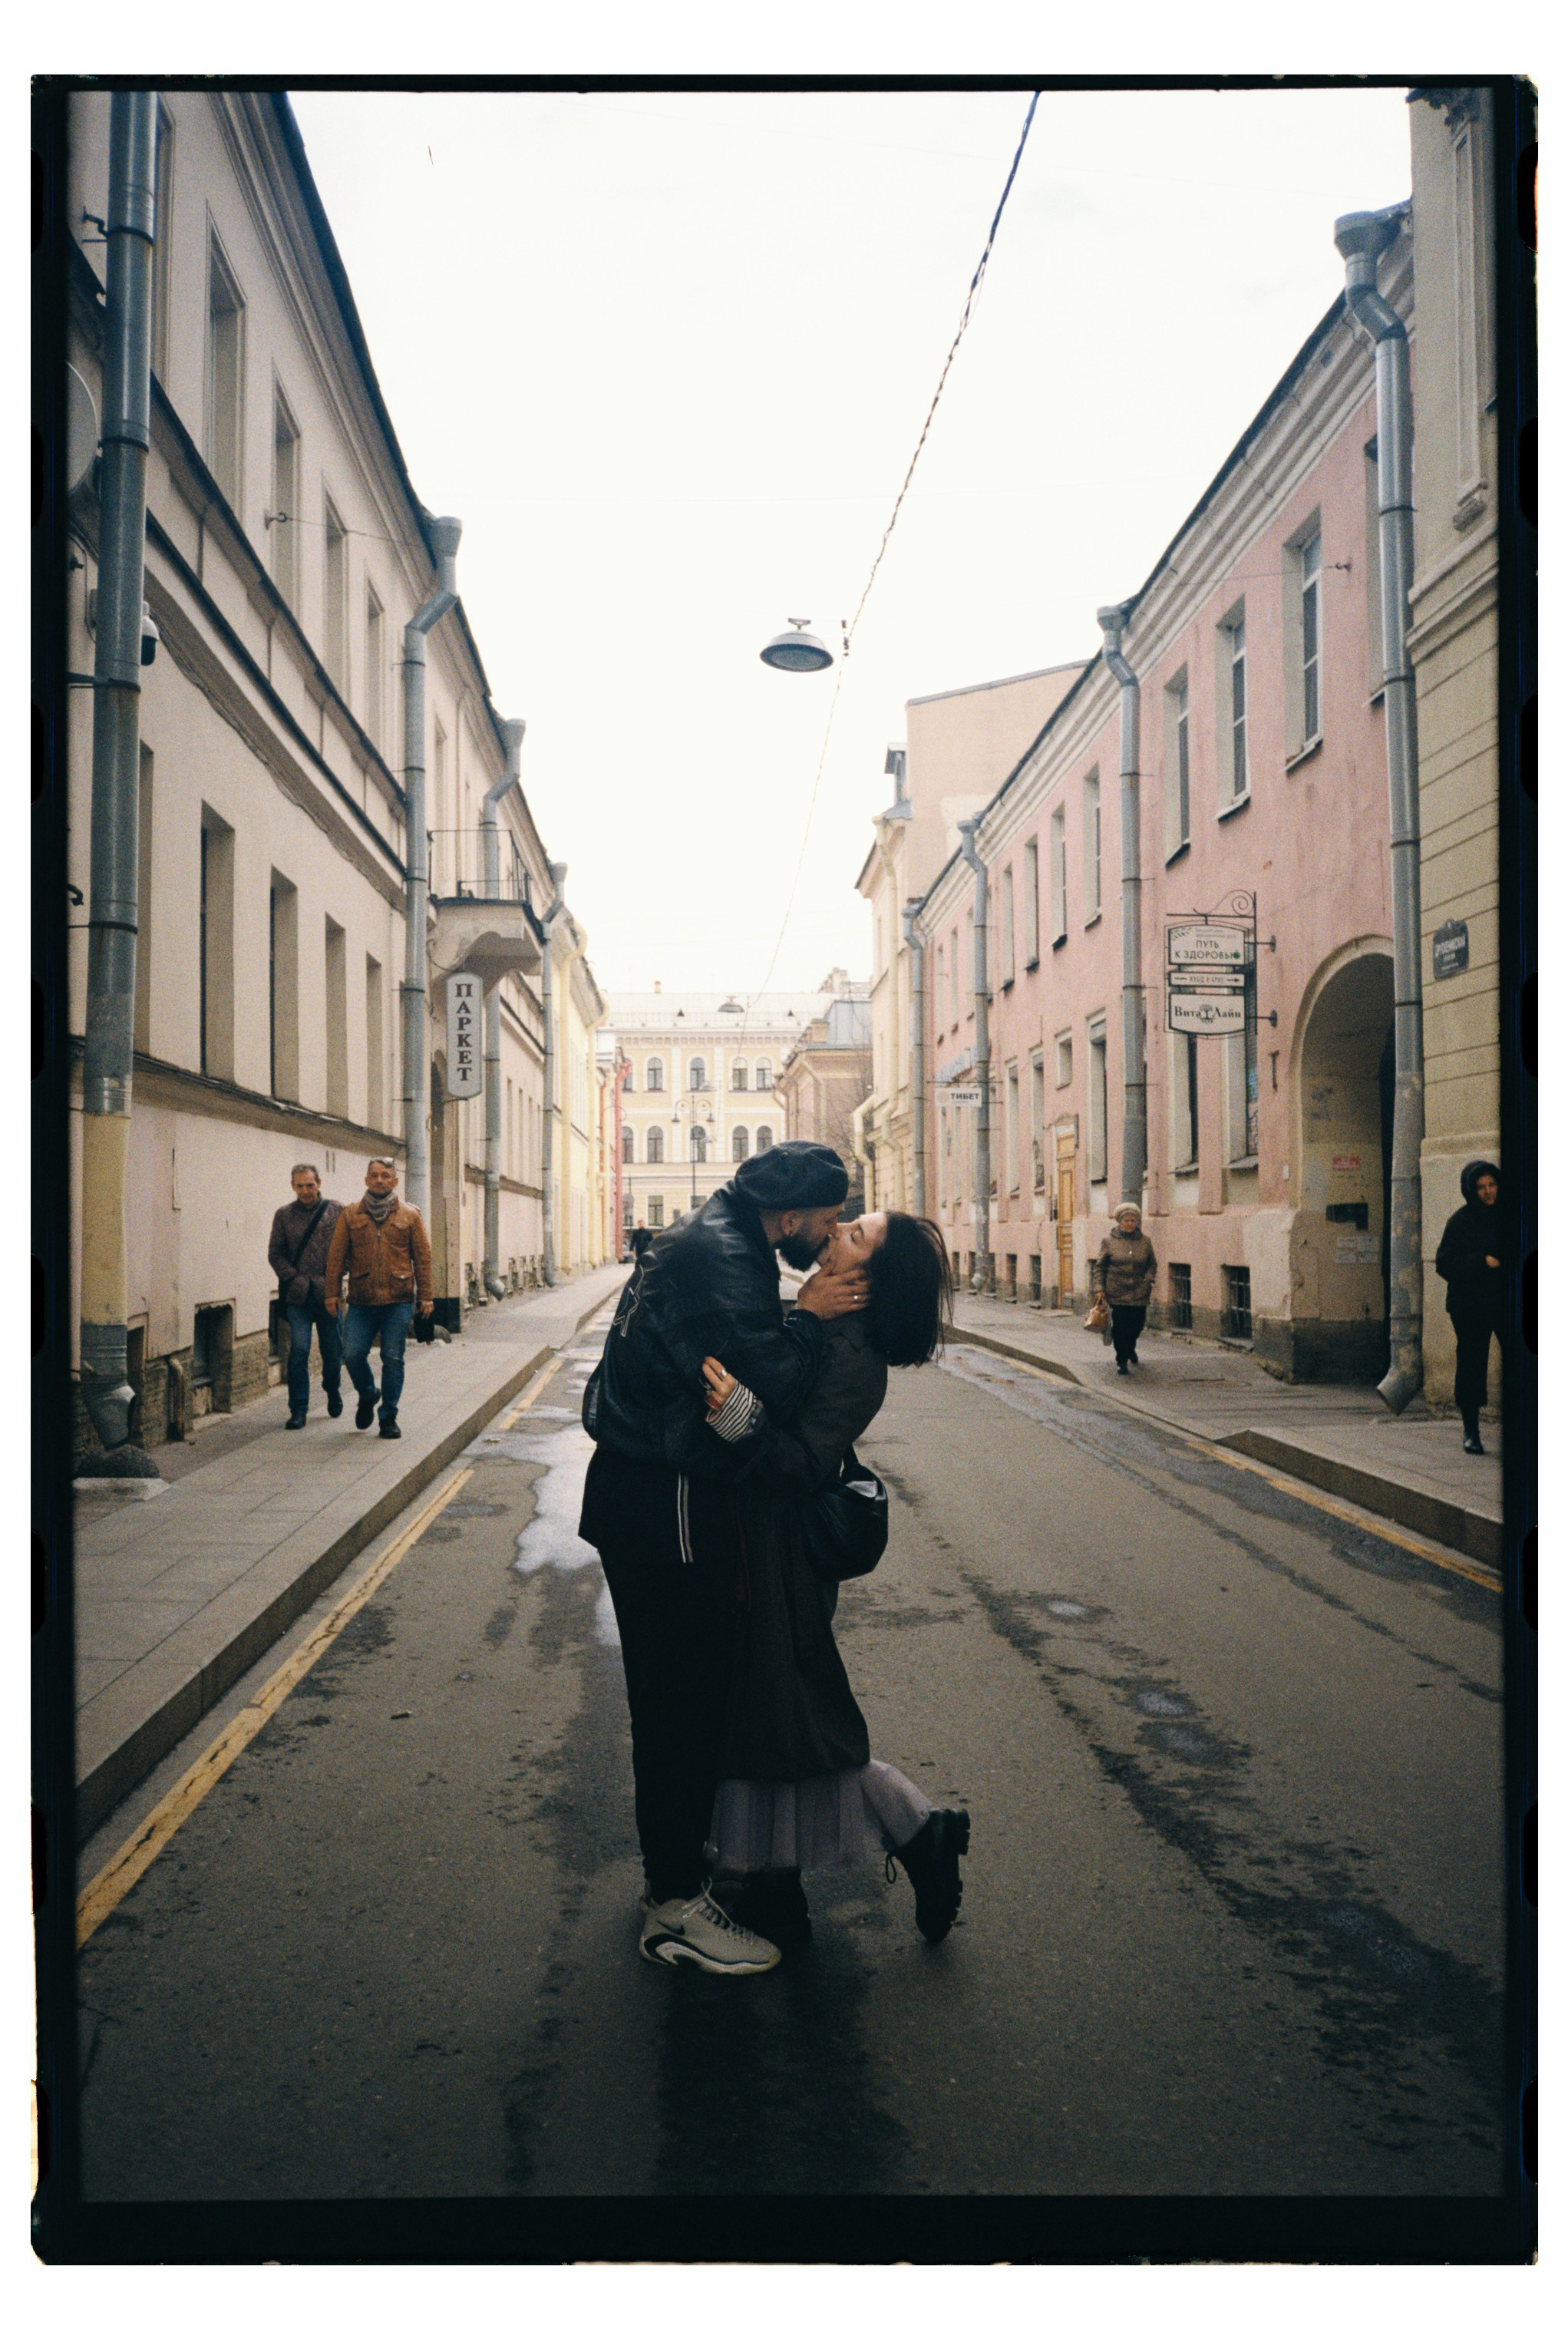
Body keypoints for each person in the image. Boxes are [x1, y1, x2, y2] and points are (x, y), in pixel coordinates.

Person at [578, 1140, 871, 1977]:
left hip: (647, 1491)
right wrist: (809, 1318)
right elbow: (759, 1386)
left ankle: (680, 1880)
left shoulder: (718, 1237)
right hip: (665, 1501)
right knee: (679, 1708)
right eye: (828, 1217)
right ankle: (674, 1906)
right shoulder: (729, 1260)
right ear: (789, 1215)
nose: (831, 1231)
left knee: (684, 1699)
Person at [698, 1211, 969, 1958]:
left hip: (781, 1559)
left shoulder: (857, 1356)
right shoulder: (816, 1311)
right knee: (771, 1720)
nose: (842, 1226)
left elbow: (798, 1463)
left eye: (859, 1234)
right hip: (753, 1547)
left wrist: (739, 1415)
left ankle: (885, 1845)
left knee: (788, 1725)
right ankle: (779, 1882)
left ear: (868, 1280)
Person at [323, 1157, 434, 1442]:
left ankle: (388, 1418)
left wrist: (427, 1296)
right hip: (361, 1300)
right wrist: (332, 1293)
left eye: (386, 1176)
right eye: (374, 1175)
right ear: (366, 1180)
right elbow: (335, 1258)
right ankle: (369, 1393)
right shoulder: (350, 1215)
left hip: (398, 1300)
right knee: (352, 1354)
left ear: (395, 1181)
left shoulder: (410, 1215)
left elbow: (422, 1259)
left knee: (392, 1357)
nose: (380, 1180)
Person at [1435, 1159, 1504, 1455]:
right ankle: (1471, 1431)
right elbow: (1444, 1263)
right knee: (1472, 1364)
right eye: (1481, 1187)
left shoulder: (1510, 1216)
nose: (1488, 1192)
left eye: (1492, 1185)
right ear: (1470, 1190)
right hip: (1470, 1305)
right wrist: (1481, 1261)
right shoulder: (1460, 1222)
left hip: (1506, 1301)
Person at [267, 1162, 343, 1430]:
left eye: (310, 1185)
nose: (305, 1191)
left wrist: (335, 1277)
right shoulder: (284, 1215)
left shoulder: (337, 1211)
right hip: (298, 1296)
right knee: (299, 1350)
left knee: (333, 1354)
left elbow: (348, 1249)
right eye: (300, 1186)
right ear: (293, 1187)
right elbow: (275, 1253)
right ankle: (298, 1409)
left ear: (319, 1183)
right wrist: (293, 1277)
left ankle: (332, 1389)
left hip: (329, 1295)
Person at [1094, 1202, 1157, 1373]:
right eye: (1127, 1220)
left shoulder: (1145, 1242)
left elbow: (1152, 1264)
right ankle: (1122, 1360)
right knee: (1120, 1329)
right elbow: (1100, 1267)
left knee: (1137, 1326)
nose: (1130, 1224)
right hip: (1117, 1292)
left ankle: (1130, 1348)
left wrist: (1148, 1280)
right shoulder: (1108, 1242)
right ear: (1120, 1222)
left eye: (1133, 1220)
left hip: (1140, 1292)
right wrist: (1100, 1288)